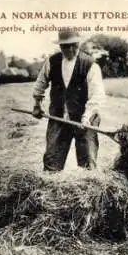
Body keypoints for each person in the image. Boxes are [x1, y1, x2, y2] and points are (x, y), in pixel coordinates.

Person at [31, 29, 106, 171]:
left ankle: (89, 188)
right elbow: (40, 84)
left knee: (88, 163)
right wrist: (37, 105)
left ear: (79, 43)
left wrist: (86, 117)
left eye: (74, 45)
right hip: (58, 117)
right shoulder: (52, 62)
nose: (71, 49)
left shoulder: (90, 65)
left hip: (86, 120)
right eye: (66, 46)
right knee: (52, 161)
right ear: (60, 46)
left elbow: (97, 95)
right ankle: (50, 187)